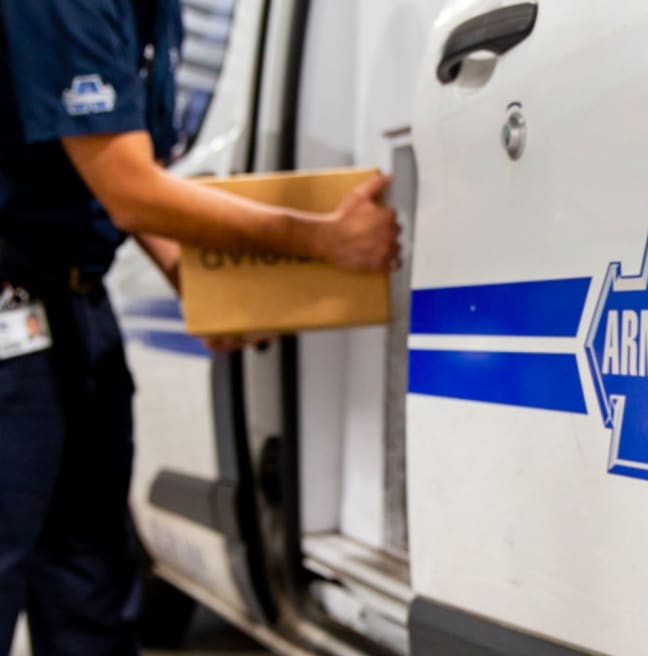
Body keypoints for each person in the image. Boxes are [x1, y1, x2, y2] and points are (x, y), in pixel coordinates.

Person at [0, 1, 399, 653]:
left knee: (93, 587)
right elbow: (129, 188)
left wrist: (199, 281)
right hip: (12, 319)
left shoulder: (160, 13)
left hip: (78, 308)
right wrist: (322, 242)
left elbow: (122, 180)